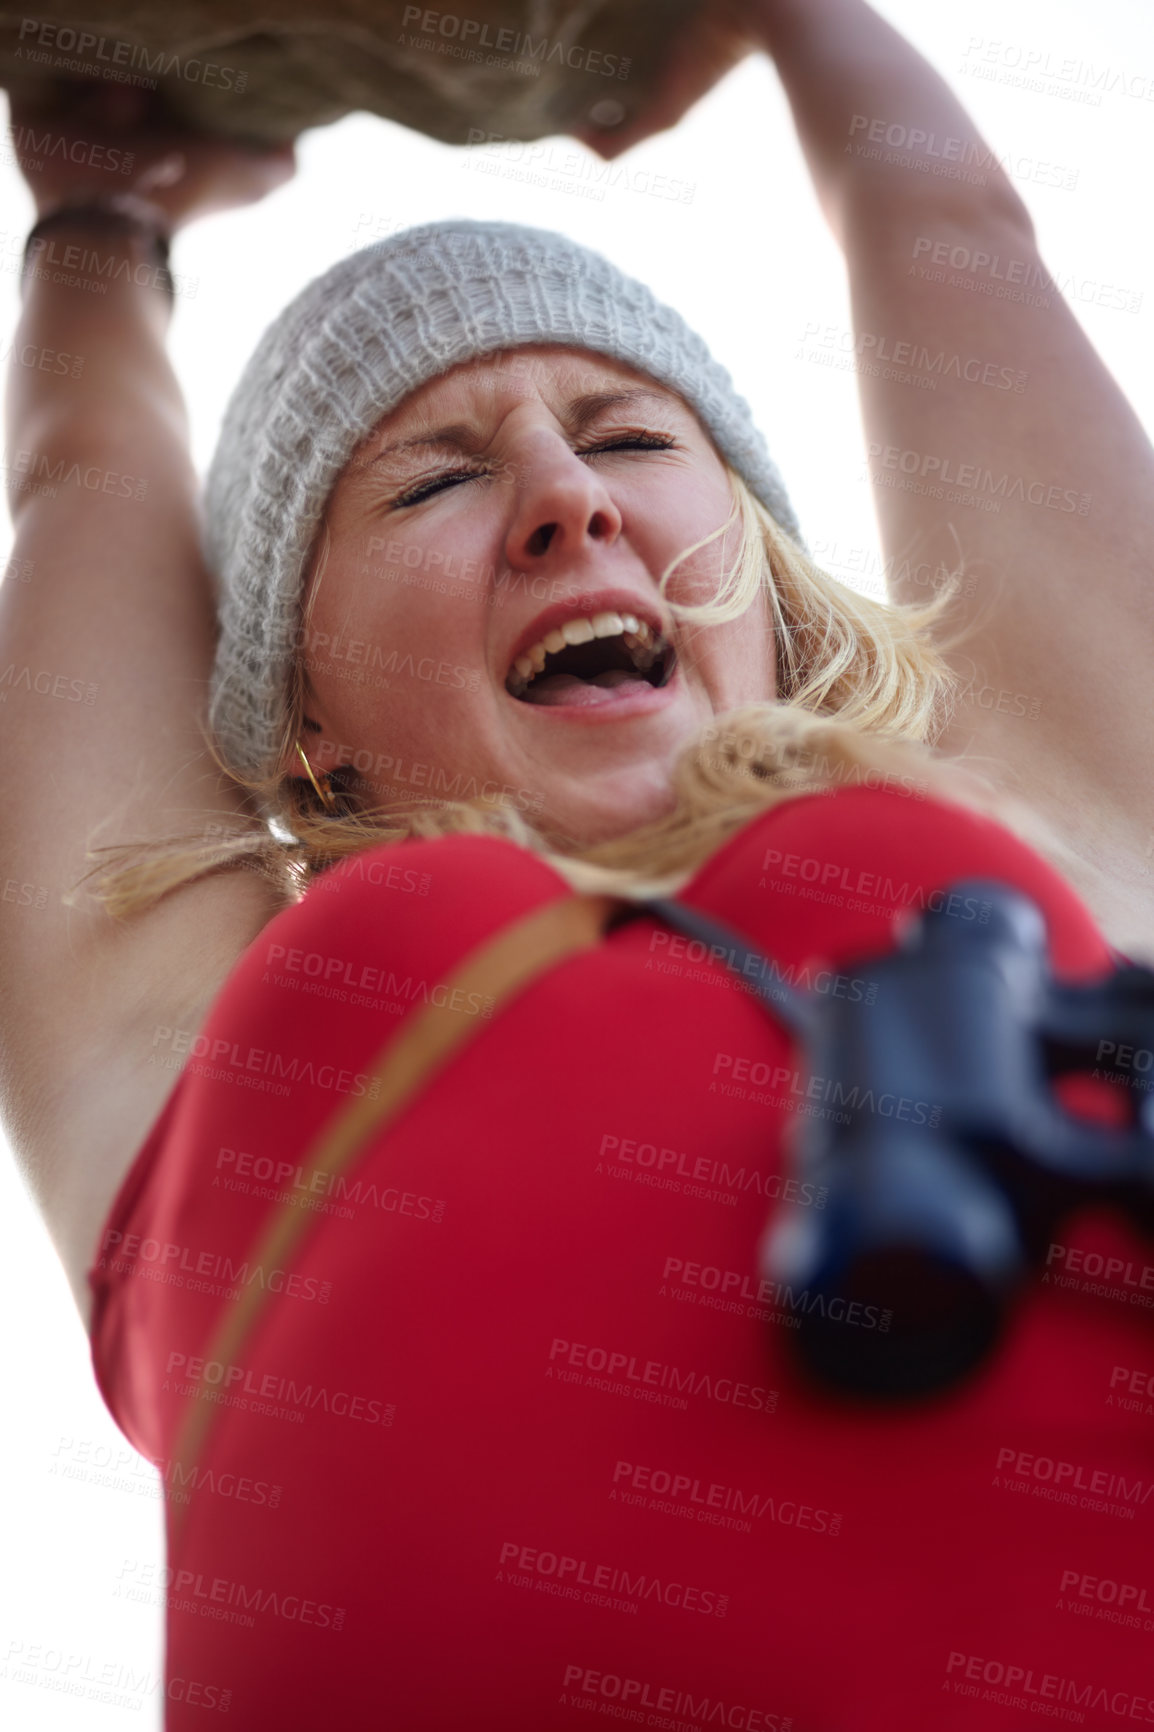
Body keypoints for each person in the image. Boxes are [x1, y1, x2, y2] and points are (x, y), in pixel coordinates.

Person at [2, 2, 1152, 1726]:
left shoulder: (1036, 824)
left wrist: (781, 10)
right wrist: (103, 219)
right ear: (296, 714)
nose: (565, 499)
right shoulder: (185, 1038)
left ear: (759, 586)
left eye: (627, 436)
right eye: (428, 483)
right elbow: (82, 476)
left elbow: (954, 234)